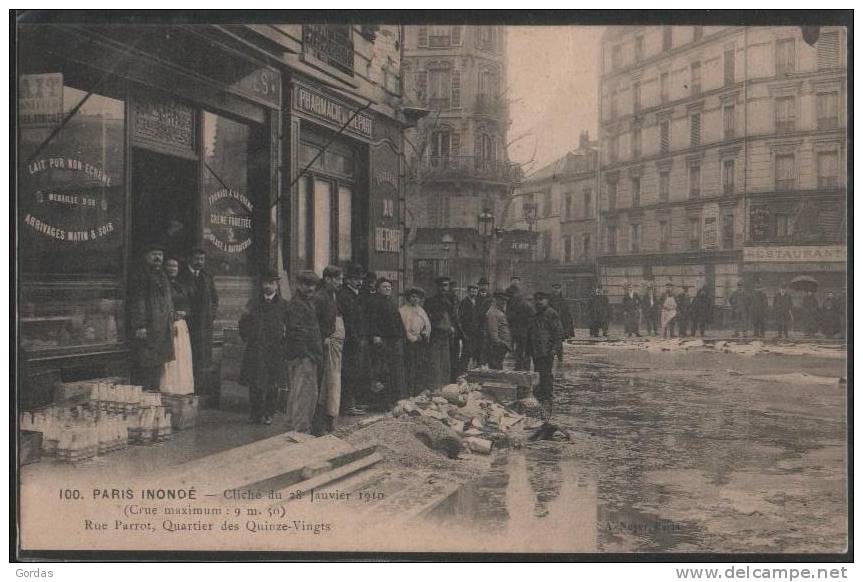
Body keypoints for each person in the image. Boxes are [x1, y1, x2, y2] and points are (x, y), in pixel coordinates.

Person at [239, 270, 288, 425]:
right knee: (255, 383)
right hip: (256, 349)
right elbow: (243, 322)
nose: (268, 286)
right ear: (261, 284)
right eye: (266, 283)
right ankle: (255, 413)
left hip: (275, 349)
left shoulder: (284, 305)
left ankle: (269, 413)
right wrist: (247, 337)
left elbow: (289, 326)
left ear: (277, 285)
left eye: (272, 283)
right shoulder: (253, 303)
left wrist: (284, 343)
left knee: (273, 383)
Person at [129, 244, 175, 391]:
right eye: (154, 254)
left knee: (157, 364)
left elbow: (168, 301)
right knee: (146, 363)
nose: (157, 258)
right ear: (146, 256)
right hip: (149, 327)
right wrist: (140, 325)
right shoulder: (141, 275)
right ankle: (144, 396)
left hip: (161, 327)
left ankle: (153, 395)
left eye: (160, 255)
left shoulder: (162, 275)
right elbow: (138, 301)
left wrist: (171, 322)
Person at [284, 271, 324, 434]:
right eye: (307, 284)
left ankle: (293, 426)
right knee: (305, 395)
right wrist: (307, 355)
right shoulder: (297, 305)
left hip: (306, 355)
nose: (310, 288)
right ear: (298, 285)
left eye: (313, 285)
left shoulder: (306, 303)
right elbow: (297, 332)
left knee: (299, 392)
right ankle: (300, 430)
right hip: (304, 356)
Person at [177, 247, 219, 397]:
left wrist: (210, 315)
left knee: (202, 360)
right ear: (190, 259)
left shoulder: (207, 277)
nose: (200, 262)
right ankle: (188, 390)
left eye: (202, 259)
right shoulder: (181, 277)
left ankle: (199, 392)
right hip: (187, 325)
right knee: (187, 358)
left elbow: (214, 299)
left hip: (204, 326)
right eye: (197, 259)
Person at [312, 265, 345, 434]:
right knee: (322, 386)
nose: (341, 282)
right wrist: (323, 338)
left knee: (330, 385)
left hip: (331, 347)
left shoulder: (332, 296)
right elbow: (313, 323)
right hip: (322, 347)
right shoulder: (320, 297)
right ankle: (318, 426)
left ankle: (327, 422)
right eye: (338, 279)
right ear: (328, 279)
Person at [366, 277, 408, 407]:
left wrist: (402, 335)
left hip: (393, 341)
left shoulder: (391, 302)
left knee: (392, 371)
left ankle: (392, 400)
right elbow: (371, 320)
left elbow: (398, 321)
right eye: (384, 287)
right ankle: (380, 402)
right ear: (378, 289)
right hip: (381, 340)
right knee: (381, 371)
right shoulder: (373, 302)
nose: (387, 289)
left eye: (389, 287)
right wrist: (375, 335)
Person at [159, 257, 195, 395]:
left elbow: (188, 302)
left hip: (181, 324)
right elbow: (162, 305)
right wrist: (172, 316)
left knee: (181, 356)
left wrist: (184, 312)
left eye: (175, 266)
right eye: (170, 266)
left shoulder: (180, 285)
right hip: (168, 325)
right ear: (165, 267)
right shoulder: (162, 285)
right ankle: (169, 388)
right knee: (170, 358)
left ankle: (181, 388)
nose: (173, 269)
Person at [337, 264, 369, 416]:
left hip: (358, 338)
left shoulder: (357, 295)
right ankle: (347, 406)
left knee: (355, 372)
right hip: (350, 340)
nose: (359, 282)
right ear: (348, 280)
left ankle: (351, 403)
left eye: (361, 279)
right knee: (349, 373)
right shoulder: (344, 295)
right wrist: (355, 338)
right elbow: (348, 320)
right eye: (356, 279)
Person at [526, 291, 563, 411]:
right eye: (537, 299)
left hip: (547, 350)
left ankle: (547, 398)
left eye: (541, 299)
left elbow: (558, 333)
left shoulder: (551, 313)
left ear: (547, 300)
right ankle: (539, 397)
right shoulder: (535, 313)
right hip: (536, 350)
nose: (539, 301)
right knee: (538, 373)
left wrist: (554, 349)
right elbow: (531, 331)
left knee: (546, 374)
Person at [424, 276, 456, 390]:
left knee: (446, 362)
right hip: (435, 335)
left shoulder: (452, 300)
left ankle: (445, 387)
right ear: (437, 287)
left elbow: (453, 317)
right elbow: (427, 319)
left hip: (447, 336)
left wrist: (452, 327)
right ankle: (435, 387)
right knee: (435, 362)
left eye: (446, 285)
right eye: (441, 285)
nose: (444, 288)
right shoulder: (430, 301)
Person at [400, 286, 431, 396]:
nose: (415, 299)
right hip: (407, 343)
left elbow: (427, 325)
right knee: (409, 367)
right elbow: (403, 328)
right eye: (413, 297)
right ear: (408, 298)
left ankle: (418, 391)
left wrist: (424, 334)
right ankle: (408, 392)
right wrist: (412, 337)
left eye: (417, 297)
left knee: (420, 366)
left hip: (420, 343)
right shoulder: (403, 310)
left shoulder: (421, 310)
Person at [507, 284, 535, 370]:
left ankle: (521, 367)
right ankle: (521, 367)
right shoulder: (517, 303)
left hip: (522, 331)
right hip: (521, 331)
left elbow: (510, 318)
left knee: (522, 350)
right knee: (522, 350)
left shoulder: (519, 304)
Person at [458, 284, 483, 370]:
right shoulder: (464, 303)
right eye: (472, 291)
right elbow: (460, 319)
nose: (474, 293)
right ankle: (462, 371)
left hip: (476, 333)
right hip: (467, 333)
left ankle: (474, 372)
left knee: (476, 352)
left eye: (475, 291)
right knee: (466, 353)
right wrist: (463, 333)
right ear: (468, 292)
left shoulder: (478, 302)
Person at [485, 290, 512, 370]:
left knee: (498, 367)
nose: (504, 302)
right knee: (496, 369)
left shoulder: (499, 311)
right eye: (501, 300)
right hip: (497, 347)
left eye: (505, 300)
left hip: (500, 346)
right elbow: (493, 332)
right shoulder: (493, 313)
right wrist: (502, 344)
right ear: (495, 300)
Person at [549, 283, 575, 362]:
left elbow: (568, 315)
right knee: (550, 341)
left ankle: (560, 359)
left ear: (560, 290)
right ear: (552, 289)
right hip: (549, 325)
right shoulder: (548, 301)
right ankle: (551, 359)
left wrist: (568, 329)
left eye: (558, 288)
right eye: (554, 288)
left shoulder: (564, 301)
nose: (556, 290)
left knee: (559, 342)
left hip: (560, 325)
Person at [475, 278, 493, 366]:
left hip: (488, 326)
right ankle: (478, 364)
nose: (483, 287)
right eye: (481, 285)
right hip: (477, 327)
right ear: (478, 286)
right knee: (477, 347)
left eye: (485, 285)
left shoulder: (491, 299)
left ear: (488, 286)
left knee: (487, 347)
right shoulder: (475, 297)